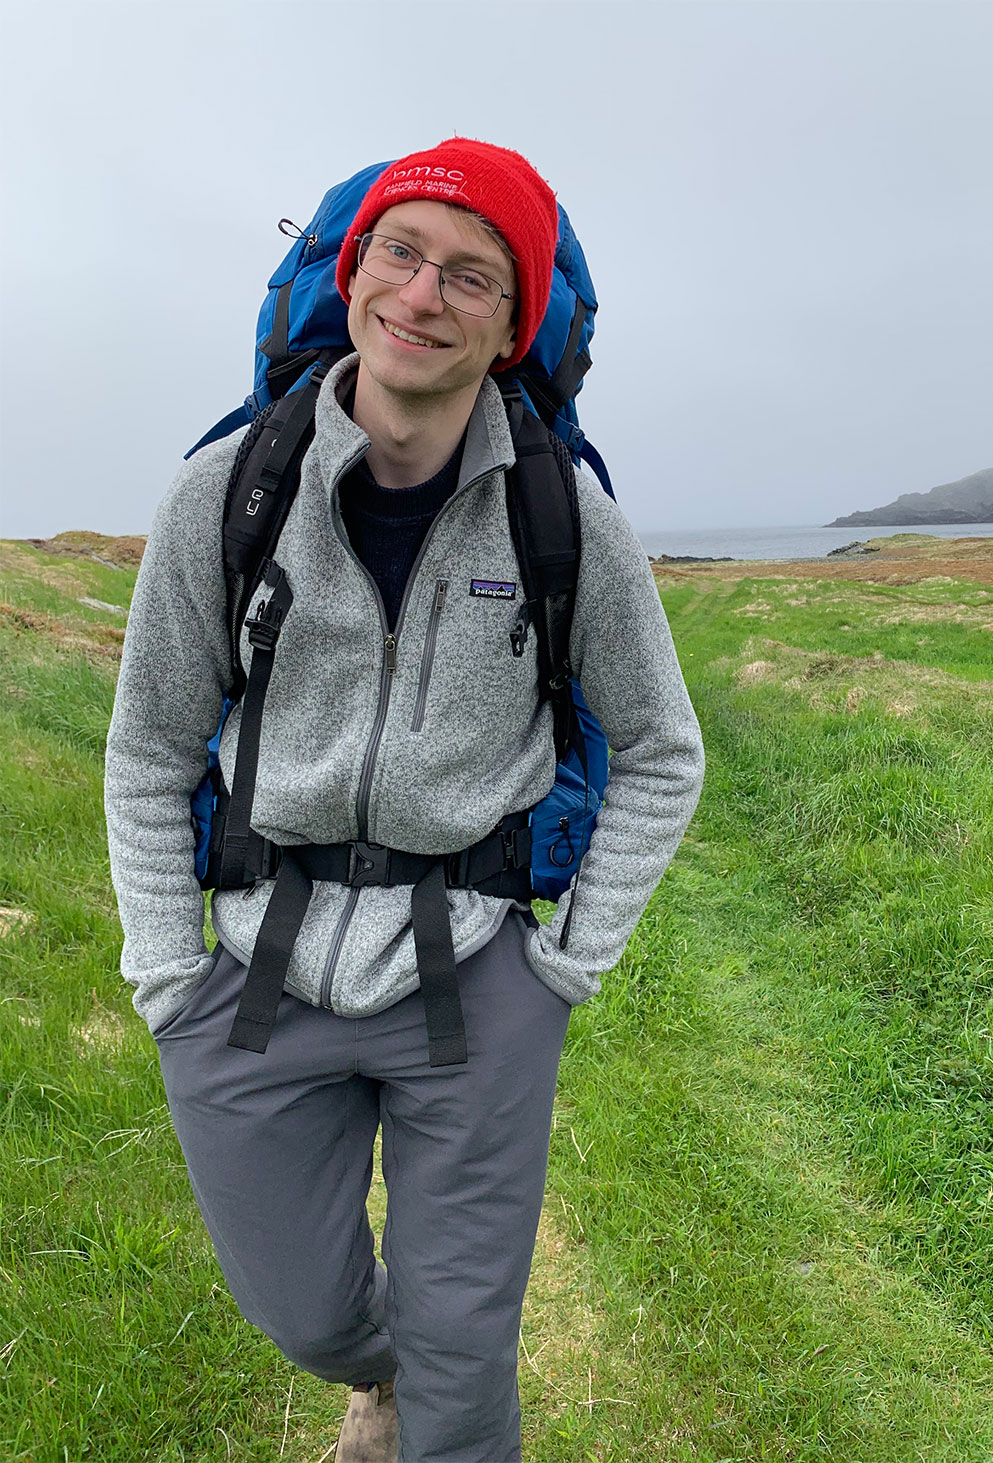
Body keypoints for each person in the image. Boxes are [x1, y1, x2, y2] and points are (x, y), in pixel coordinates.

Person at [104, 137, 704, 1463]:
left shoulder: (566, 520)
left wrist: (565, 967)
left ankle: (435, 1396)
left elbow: (665, 752)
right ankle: (379, 1374)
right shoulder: (226, 497)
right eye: (401, 255)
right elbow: (146, 750)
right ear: (354, 272)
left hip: (481, 985)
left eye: (473, 279)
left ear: (509, 330)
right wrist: (165, 976)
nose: (424, 295)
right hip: (256, 979)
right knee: (308, 1314)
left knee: (465, 1362)